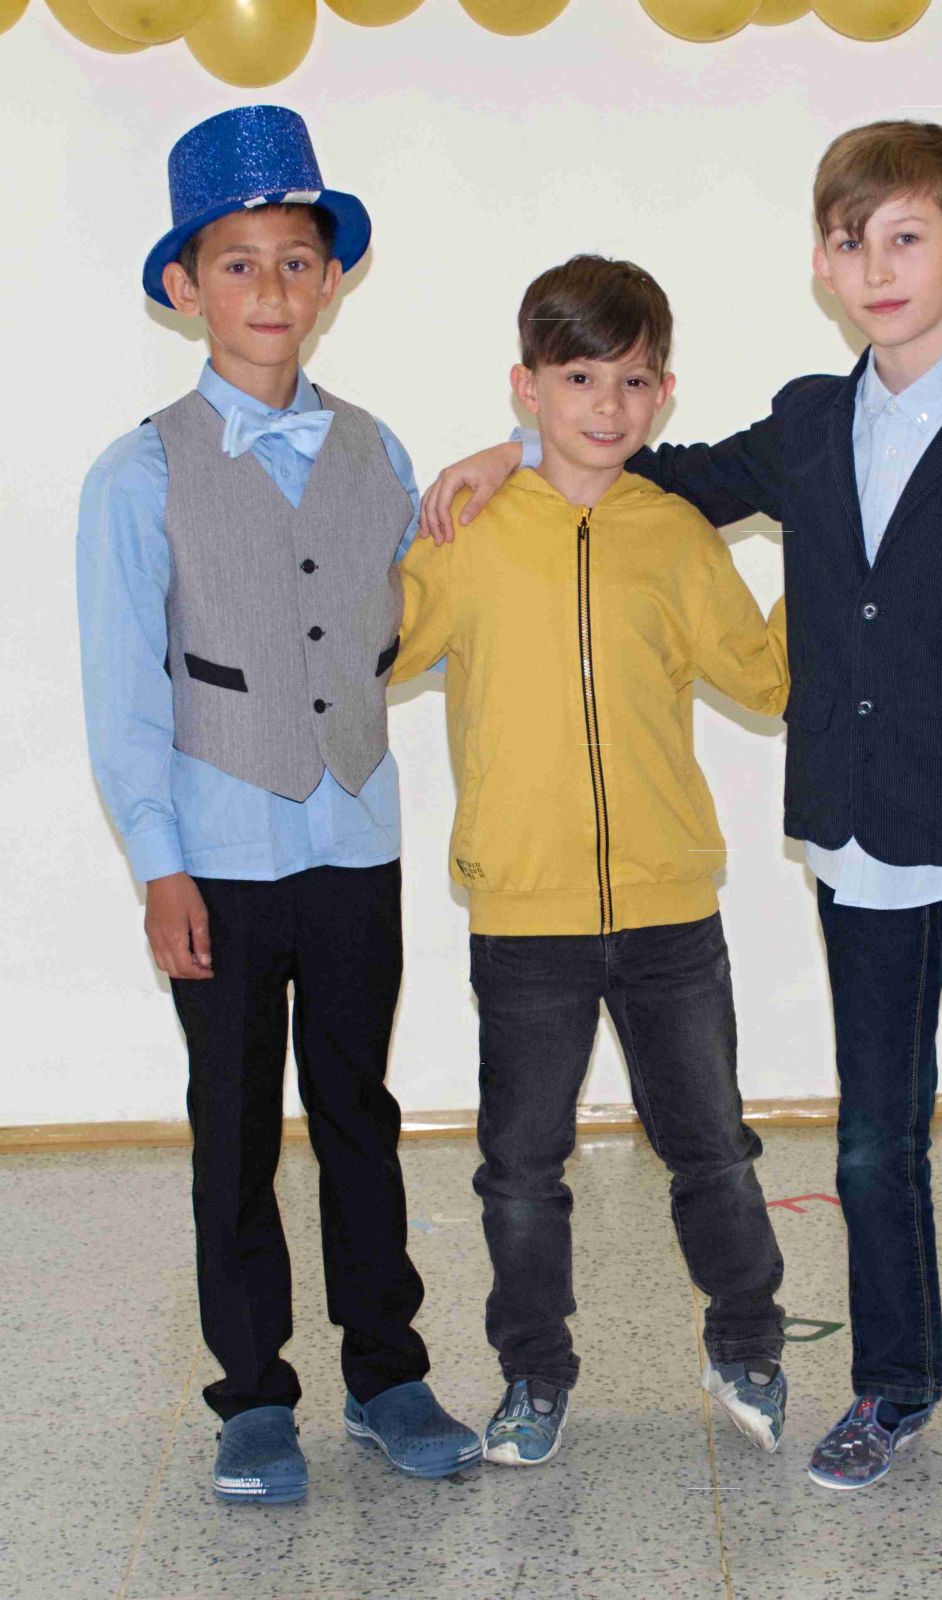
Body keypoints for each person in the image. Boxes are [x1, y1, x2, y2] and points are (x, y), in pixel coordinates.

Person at [417, 122, 942, 1511]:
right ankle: (891, 1388)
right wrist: (510, 450)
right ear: (823, 267)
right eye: (853, 243)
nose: (880, 267)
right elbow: (650, 470)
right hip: (857, 848)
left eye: (907, 238)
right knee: (870, 1145)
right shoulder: (808, 421)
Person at [77, 105, 480, 1505]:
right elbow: (125, 694)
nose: (270, 288)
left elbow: (418, 609)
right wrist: (159, 864)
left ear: (331, 281)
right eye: (238, 263)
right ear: (185, 286)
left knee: (359, 1109)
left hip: (354, 837)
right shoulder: (137, 474)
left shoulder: (376, 449)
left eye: (296, 261)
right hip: (220, 854)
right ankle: (252, 1395)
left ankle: (388, 1372)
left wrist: (506, 459)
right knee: (235, 1128)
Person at [392, 254, 790, 1467]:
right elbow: (376, 646)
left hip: (670, 912)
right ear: (528, 387)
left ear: (663, 394)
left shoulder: (673, 535)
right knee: (520, 1169)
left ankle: (748, 1341)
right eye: (578, 378)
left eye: (632, 381)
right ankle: (534, 1372)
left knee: (713, 1147)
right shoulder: (468, 531)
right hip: (524, 916)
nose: (606, 405)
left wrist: (838, 560)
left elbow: (765, 680)